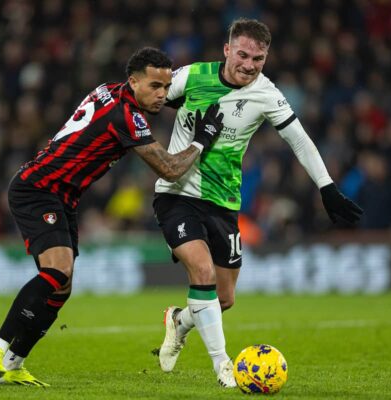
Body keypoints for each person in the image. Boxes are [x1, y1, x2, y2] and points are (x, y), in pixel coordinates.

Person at [0, 47, 224, 387]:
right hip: (38, 189)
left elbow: (147, 103)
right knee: (57, 271)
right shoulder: (126, 116)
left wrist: (179, 100)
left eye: (167, 88)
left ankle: (12, 364)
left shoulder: (110, 89)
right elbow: (169, 169)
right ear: (133, 81)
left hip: (61, 196)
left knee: (61, 288)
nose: (163, 95)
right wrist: (201, 141)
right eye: (155, 86)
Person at [154, 19, 363, 387]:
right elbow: (146, 97)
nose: (249, 65)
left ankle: (179, 321)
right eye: (243, 55)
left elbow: (299, 140)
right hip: (178, 193)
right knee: (201, 272)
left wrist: (326, 187)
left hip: (224, 202)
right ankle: (223, 366)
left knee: (225, 298)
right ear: (227, 49)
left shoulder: (266, 93)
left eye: (259, 58)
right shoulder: (192, 77)